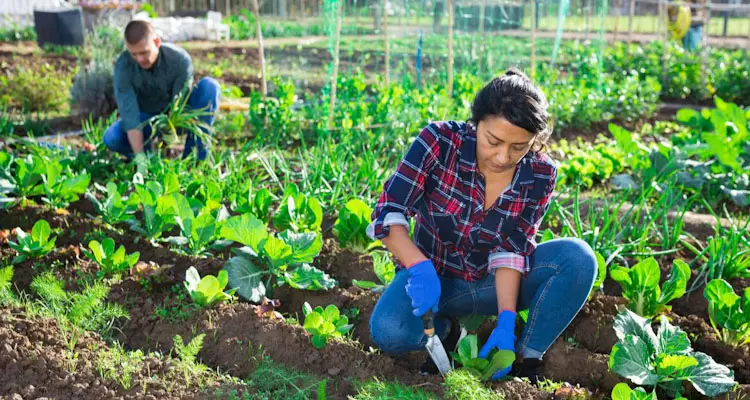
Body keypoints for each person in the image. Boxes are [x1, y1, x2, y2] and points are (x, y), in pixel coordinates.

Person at [366, 69, 597, 382]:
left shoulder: (541, 173)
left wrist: (505, 320)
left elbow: (513, 249)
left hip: (490, 283)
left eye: (519, 147)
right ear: (477, 124)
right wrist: (418, 267)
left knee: (577, 259)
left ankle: (525, 359)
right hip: (436, 282)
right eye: (494, 141)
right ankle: (448, 334)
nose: (502, 157)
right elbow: (388, 211)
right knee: (389, 329)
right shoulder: (439, 143)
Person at [103, 20, 220, 173]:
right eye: (134, 54)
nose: (139, 59)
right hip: (145, 120)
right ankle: (147, 160)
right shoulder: (123, 67)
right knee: (111, 137)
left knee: (210, 87)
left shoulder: (178, 60)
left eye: (144, 52)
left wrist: (169, 130)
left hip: (177, 115)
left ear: (157, 42)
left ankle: (195, 161)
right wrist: (140, 158)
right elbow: (129, 116)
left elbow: (179, 101)